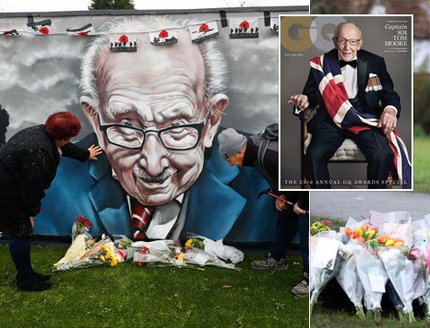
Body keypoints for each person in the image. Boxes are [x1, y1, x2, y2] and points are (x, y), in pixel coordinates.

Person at [34, 18, 277, 243]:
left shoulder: (261, 181)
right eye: (127, 125)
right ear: (96, 120)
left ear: (211, 120)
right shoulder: (56, 186)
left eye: (177, 127)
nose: (153, 165)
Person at [289, 21, 410, 189]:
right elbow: (310, 97)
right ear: (334, 41)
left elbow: (389, 93)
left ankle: (374, 201)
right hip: (331, 119)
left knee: (383, 154)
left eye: (352, 41)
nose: (347, 47)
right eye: (342, 40)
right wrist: (303, 100)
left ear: (359, 43)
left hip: (365, 119)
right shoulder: (322, 64)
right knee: (314, 154)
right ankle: (322, 201)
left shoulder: (375, 62)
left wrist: (390, 110)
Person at [0, 112, 102, 291]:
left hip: (11, 184)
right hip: (7, 191)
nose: (71, 139)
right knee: (21, 232)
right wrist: (31, 213)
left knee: (21, 231)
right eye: (70, 137)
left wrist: (85, 154)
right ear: (62, 137)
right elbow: (31, 188)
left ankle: (27, 273)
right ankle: (24, 279)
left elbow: (63, 146)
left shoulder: (43, 133)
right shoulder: (40, 151)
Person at [218, 127, 309, 297]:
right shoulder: (256, 152)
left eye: (229, 159)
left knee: (306, 232)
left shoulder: (269, 155)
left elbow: (305, 174)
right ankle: (276, 258)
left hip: (310, 186)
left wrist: (305, 203)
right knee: (285, 218)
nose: (230, 164)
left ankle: (311, 279)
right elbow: (284, 176)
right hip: (296, 186)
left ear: (240, 151)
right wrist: (283, 195)